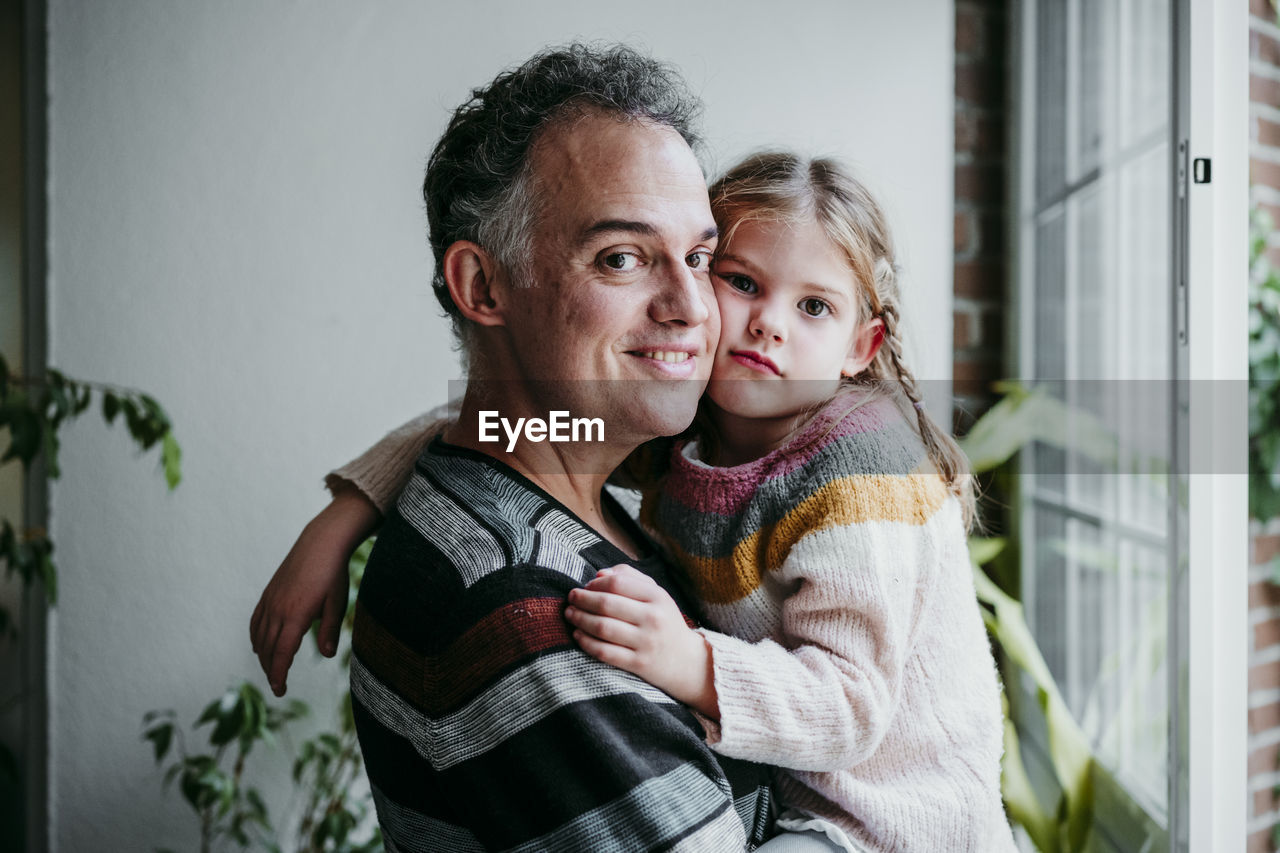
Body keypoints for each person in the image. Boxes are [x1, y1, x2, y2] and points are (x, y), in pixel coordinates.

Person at [256, 151, 1018, 851]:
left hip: (893, 820)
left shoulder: (860, 474)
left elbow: (850, 706)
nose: (767, 323)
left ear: (862, 345)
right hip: (805, 793)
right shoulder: (686, 428)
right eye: (741, 280)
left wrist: (691, 660)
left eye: (814, 306)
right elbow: (504, 422)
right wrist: (347, 511)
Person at [250, 44, 775, 851]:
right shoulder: (530, 609)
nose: (691, 306)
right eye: (623, 257)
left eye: (699, 258)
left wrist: (352, 503)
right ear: (484, 287)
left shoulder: (556, 464)